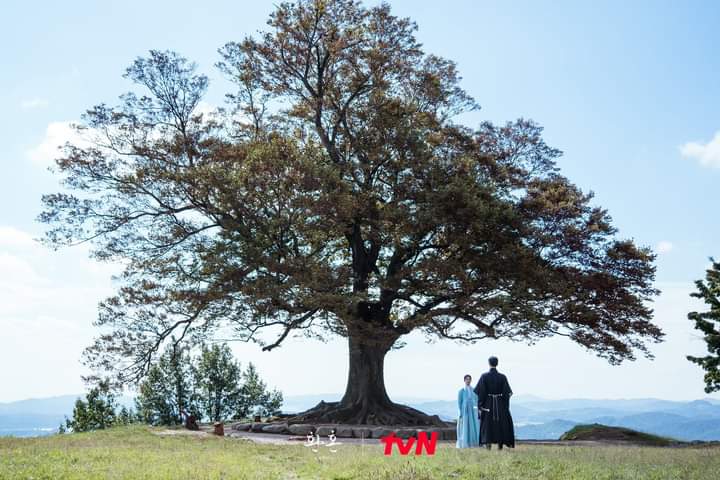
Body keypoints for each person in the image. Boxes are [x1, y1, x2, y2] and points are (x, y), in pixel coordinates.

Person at [474, 356, 515, 449]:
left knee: (488, 424)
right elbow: (507, 393)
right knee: (500, 424)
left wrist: (480, 405)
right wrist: (505, 406)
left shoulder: (484, 376)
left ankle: (488, 445)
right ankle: (500, 446)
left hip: (488, 403)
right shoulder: (502, 377)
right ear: (497, 363)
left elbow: (480, 392)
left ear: (489, 363)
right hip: (500, 404)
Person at [456, 374, 480, 448]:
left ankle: (474, 442)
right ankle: (465, 443)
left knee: (474, 426)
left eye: (469, 379)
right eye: (467, 379)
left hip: (473, 411)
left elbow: (476, 400)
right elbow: (459, 402)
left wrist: (477, 411)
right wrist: (461, 412)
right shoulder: (461, 391)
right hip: (465, 411)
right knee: (465, 427)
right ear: (464, 380)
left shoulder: (474, 390)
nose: (468, 380)